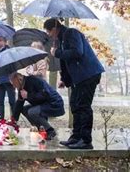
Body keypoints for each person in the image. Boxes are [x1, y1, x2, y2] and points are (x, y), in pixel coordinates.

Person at [44, 18, 104, 150]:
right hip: (80, 77)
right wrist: (64, 79)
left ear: (54, 29)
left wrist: (58, 53)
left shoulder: (71, 33)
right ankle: (76, 137)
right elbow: (65, 63)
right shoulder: (60, 40)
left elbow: (78, 52)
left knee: (83, 106)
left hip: (89, 74)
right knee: (75, 105)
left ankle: (86, 140)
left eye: (48, 31)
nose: (48, 34)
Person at [10, 72, 64, 140]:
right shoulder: (21, 88)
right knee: (24, 109)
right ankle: (41, 128)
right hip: (43, 104)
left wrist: (28, 95)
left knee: (32, 112)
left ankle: (50, 131)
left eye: (14, 84)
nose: (13, 87)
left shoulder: (34, 80)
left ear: (20, 79)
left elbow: (45, 94)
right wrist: (13, 121)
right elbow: (19, 104)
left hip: (54, 103)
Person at [0, 36, 16, 120]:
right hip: (0, 80)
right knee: (0, 101)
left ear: (5, 42)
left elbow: (13, 65)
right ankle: (1, 120)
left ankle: (14, 119)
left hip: (9, 80)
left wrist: (13, 78)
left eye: (0, 40)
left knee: (12, 101)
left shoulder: (10, 51)